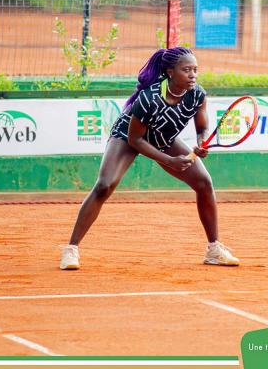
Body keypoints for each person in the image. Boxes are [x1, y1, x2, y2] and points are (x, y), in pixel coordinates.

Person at [59, 47, 239, 270]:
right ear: (170, 72)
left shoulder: (197, 94)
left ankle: (214, 249)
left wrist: (201, 143)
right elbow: (136, 140)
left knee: (204, 183)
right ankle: (71, 249)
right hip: (128, 136)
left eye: (195, 70)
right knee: (104, 185)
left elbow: (202, 128)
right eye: (186, 70)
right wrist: (169, 160)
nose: (193, 74)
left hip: (163, 136)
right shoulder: (149, 98)